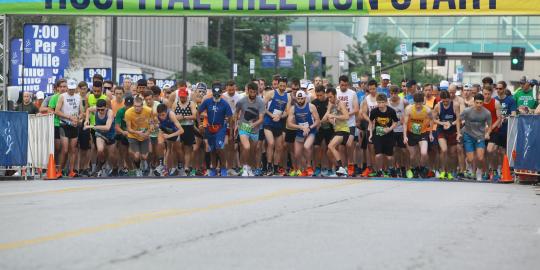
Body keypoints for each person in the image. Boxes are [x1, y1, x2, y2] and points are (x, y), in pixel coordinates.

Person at [198, 83, 233, 176]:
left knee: (219, 147)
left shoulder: (225, 103)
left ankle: (223, 168)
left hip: (220, 128)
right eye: (215, 93)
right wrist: (200, 124)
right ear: (212, 92)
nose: (216, 95)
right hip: (209, 128)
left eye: (218, 93)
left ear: (221, 93)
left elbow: (230, 117)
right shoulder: (207, 101)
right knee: (211, 149)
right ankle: (213, 168)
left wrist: (230, 130)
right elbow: (198, 112)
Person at [234, 82, 265, 177]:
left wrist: (254, 124)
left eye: (254, 92)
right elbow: (236, 112)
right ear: (248, 91)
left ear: (257, 92)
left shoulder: (260, 102)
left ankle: (250, 168)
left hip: (255, 129)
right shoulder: (242, 101)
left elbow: (261, 119)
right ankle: (244, 167)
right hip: (243, 126)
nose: (252, 94)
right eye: (251, 92)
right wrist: (236, 124)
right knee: (246, 147)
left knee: (252, 150)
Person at [287, 90, 320, 176]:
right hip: (300, 132)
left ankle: (309, 166)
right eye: (298, 98)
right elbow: (289, 123)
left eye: (302, 98)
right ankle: (304, 168)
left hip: (310, 131)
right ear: (296, 99)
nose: (300, 100)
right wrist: (301, 127)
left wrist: (309, 128)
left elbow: (317, 121)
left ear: (305, 98)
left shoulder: (311, 107)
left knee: (306, 146)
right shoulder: (293, 108)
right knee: (297, 153)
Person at [263, 76, 291, 176]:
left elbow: (287, 112)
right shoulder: (271, 93)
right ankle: (269, 166)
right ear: (277, 84)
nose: (282, 87)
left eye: (284, 86)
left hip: (278, 122)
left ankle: (275, 167)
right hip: (268, 121)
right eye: (280, 85)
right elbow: (262, 106)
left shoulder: (288, 96)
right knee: (271, 143)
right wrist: (271, 115)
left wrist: (280, 116)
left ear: (286, 86)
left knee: (279, 147)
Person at [461, 94, 492, 181]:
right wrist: (459, 132)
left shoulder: (487, 113)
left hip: (480, 136)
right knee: (470, 158)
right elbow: (459, 120)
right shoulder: (467, 111)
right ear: (474, 102)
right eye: (477, 103)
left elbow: (490, 126)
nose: (478, 105)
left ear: (483, 103)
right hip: (468, 135)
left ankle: (479, 171)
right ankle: (469, 168)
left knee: (480, 157)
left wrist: (488, 133)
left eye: (480, 103)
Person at [55, 80, 83, 177]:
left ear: (75, 88)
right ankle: (59, 171)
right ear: (67, 88)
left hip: (74, 125)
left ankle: (71, 171)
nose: (71, 90)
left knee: (73, 149)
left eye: (73, 89)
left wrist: (78, 119)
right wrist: (69, 117)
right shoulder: (62, 97)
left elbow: (81, 112)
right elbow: (57, 111)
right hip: (64, 124)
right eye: (69, 89)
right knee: (65, 149)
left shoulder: (78, 97)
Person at [403, 92, 434, 178]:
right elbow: (405, 123)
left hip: (422, 133)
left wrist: (430, 133)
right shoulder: (409, 109)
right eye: (416, 103)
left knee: (423, 153)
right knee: (413, 156)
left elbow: (432, 120)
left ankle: (422, 168)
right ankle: (415, 168)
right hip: (411, 133)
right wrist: (404, 136)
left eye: (420, 103)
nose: (418, 105)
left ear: (423, 102)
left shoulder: (427, 110)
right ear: (414, 102)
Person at [433, 90, 461, 180]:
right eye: (443, 101)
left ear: (450, 99)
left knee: (452, 153)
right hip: (441, 130)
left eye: (447, 101)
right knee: (444, 150)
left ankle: (449, 171)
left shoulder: (455, 105)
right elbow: (433, 119)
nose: (445, 102)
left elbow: (458, 120)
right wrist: (441, 123)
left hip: (452, 130)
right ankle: (442, 170)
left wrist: (457, 132)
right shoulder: (438, 106)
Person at [369, 93, 399, 176]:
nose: (380, 104)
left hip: (389, 135)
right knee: (378, 155)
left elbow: (396, 122)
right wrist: (371, 134)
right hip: (378, 134)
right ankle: (379, 170)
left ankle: (391, 169)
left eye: (382, 102)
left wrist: (389, 129)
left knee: (389, 156)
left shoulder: (391, 111)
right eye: (378, 102)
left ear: (386, 102)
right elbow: (370, 122)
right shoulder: (374, 111)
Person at [85, 99, 116, 177]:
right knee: (100, 150)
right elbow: (88, 109)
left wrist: (93, 126)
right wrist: (86, 120)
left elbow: (107, 127)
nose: (100, 111)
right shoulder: (96, 109)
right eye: (98, 109)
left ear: (106, 107)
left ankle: (115, 168)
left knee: (112, 155)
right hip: (100, 134)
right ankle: (100, 164)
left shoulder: (110, 112)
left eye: (102, 109)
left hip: (110, 134)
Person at [323, 88, 350, 177]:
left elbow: (346, 116)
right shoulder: (331, 105)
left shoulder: (340, 103)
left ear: (335, 95)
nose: (329, 99)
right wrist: (328, 111)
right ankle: (340, 170)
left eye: (331, 97)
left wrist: (334, 115)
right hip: (336, 131)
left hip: (344, 130)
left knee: (331, 146)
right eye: (328, 98)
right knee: (328, 153)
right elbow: (323, 120)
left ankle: (342, 168)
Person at [172, 87, 198, 176]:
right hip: (178, 127)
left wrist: (183, 117)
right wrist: (176, 118)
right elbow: (171, 115)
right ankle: (180, 165)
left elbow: (194, 116)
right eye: (181, 97)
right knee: (177, 147)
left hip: (188, 127)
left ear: (187, 95)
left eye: (183, 97)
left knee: (188, 148)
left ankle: (186, 167)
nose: (182, 98)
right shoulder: (175, 104)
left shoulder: (191, 104)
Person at [336, 75, 359, 176]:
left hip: (350, 123)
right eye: (342, 85)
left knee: (349, 145)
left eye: (345, 85)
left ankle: (351, 165)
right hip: (340, 124)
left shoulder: (352, 93)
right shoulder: (336, 93)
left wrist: (346, 114)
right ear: (339, 84)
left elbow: (356, 109)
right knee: (341, 147)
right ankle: (343, 167)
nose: (343, 87)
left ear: (348, 84)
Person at [125, 97, 153, 177]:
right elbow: (129, 129)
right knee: (136, 155)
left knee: (144, 156)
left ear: (142, 105)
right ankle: (138, 169)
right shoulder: (128, 113)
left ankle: (145, 164)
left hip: (144, 135)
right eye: (135, 106)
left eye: (139, 106)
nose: (137, 108)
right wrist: (137, 132)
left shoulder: (148, 111)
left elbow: (151, 123)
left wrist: (147, 133)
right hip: (133, 135)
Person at [495, 81, 516, 176]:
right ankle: (496, 168)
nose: (498, 90)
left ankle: (504, 168)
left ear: (504, 89)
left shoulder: (510, 100)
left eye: (500, 89)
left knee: (503, 150)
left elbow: (513, 114)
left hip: (506, 129)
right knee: (495, 150)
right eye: (497, 88)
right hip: (496, 129)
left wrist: (505, 118)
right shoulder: (494, 100)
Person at [156, 103, 184, 176]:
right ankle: (162, 165)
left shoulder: (171, 115)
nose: (162, 117)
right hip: (165, 129)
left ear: (166, 112)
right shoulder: (156, 115)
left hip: (174, 131)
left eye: (163, 115)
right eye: (160, 115)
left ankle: (180, 165)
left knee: (177, 150)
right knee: (160, 144)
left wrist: (169, 136)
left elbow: (181, 130)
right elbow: (156, 124)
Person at [222, 80, 242, 176]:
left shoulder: (239, 97)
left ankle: (232, 167)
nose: (231, 91)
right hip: (224, 123)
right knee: (225, 145)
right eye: (229, 90)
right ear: (226, 88)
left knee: (234, 147)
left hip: (235, 123)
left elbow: (241, 111)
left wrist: (236, 118)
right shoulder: (223, 96)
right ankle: (224, 167)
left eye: (233, 89)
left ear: (236, 88)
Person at [48, 79, 68, 177]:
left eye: (65, 86)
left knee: (65, 149)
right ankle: (55, 167)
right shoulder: (54, 98)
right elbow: (50, 110)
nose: (63, 88)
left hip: (67, 125)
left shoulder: (70, 97)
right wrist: (58, 114)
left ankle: (61, 169)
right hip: (56, 124)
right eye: (61, 87)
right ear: (58, 88)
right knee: (57, 147)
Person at [388, 85, 408, 177]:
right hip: (391, 129)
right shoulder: (387, 102)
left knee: (403, 150)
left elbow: (408, 114)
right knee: (393, 150)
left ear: (398, 93)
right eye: (391, 93)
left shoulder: (403, 101)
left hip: (401, 129)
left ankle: (403, 168)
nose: (393, 95)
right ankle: (394, 168)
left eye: (395, 93)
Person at [482, 85, 502, 180]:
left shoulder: (496, 103)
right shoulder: (479, 103)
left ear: (491, 93)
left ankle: (494, 170)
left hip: (494, 130)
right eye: (484, 94)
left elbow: (499, 119)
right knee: (484, 152)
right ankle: (486, 171)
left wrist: (490, 129)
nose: (486, 96)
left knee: (490, 150)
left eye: (488, 94)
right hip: (482, 130)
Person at [312, 85, 332, 177]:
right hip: (318, 128)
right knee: (316, 147)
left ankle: (330, 169)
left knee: (329, 148)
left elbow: (332, 114)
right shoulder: (313, 103)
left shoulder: (330, 101)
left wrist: (325, 121)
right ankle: (317, 168)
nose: (319, 97)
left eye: (321, 95)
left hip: (329, 128)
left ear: (324, 93)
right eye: (317, 95)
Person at [115, 96, 134, 176]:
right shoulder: (120, 112)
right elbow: (117, 127)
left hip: (134, 134)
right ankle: (123, 169)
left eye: (130, 106)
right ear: (124, 104)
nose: (128, 107)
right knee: (123, 152)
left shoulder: (136, 111)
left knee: (131, 153)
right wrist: (123, 132)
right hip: (123, 134)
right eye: (127, 105)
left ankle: (135, 168)